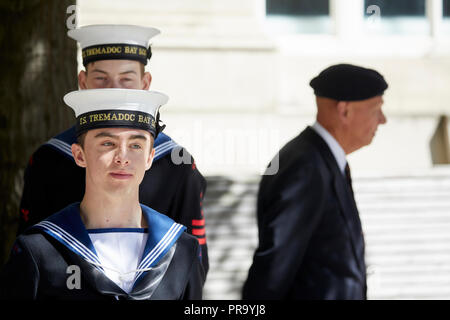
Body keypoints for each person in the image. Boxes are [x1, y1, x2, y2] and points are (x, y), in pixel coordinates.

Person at [16, 25, 209, 277]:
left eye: (127, 79)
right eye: (101, 79)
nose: (113, 88)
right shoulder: (48, 160)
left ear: (145, 83)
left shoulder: (177, 165)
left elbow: (193, 263)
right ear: (82, 81)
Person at [1, 88, 204, 300]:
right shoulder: (39, 251)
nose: (122, 158)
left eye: (135, 145)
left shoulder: (180, 250)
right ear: (79, 155)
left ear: (149, 157)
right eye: (108, 143)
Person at [242, 63, 388, 300]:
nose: (383, 120)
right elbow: (273, 269)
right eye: (376, 109)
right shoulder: (304, 167)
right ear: (345, 111)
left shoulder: (323, 160)